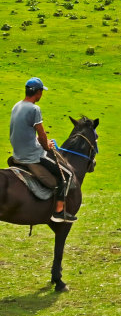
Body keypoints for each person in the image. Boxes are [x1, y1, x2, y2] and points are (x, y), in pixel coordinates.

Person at [9, 77, 76, 222]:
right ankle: (58, 212)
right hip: (32, 155)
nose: (41, 95)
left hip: (17, 153)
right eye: (41, 92)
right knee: (67, 175)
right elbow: (41, 134)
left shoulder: (17, 105)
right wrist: (47, 145)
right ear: (38, 92)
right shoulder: (34, 109)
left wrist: (42, 142)